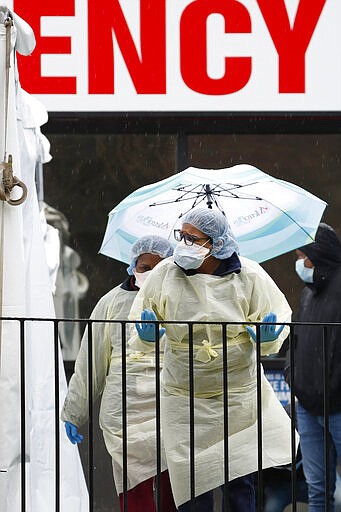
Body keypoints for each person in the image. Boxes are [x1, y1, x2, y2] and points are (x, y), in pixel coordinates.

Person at [128, 208, 294, 511]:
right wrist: (148, 337)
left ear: (216, 242)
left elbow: (278, 318)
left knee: (240, 481)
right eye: (182, 236)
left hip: (237, 398)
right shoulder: (166, 273)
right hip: (184, 398)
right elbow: (140, 319)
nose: (183, 243)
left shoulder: (250, 275)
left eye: (192, 238)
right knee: (191, 487)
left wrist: (269, 338)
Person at [61, 235, 177, 512]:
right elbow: (91, 362)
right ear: (132, 266)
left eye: (159, 266)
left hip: (171, 408)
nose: (150, 273)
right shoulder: (111, 304)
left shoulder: (181, 300)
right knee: (133, 489)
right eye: (144, 266)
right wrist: (74, 412)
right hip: (125, 414)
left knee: (175, 489)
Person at [284, 222, 341, 512]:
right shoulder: (308, 293)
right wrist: (293, 379)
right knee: (317, 491)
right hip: (307, 406)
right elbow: (295, 341)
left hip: (338, 407)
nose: (298, 263)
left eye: (301, 255)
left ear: (317, 254)